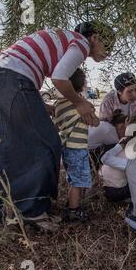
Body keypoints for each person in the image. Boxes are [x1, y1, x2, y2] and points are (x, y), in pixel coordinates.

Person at [0, 21, 115, 230]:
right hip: (14, 78)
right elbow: (60, 77)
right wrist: (79, 102)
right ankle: (31, 211)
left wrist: (40, 105)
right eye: (108, 46)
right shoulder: (81, 43)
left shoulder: (65, 39)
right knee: (47, 143)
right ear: (95, 38)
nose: (109, 52)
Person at [53, 68, 93, 222]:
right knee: (78, 181)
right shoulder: (82, 104)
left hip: (66, 146)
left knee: (73, 178)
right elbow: (93, 121)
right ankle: (74, 210)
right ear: (82, 85)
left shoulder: (58, 104)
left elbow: (56, 125)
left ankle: (71, 203)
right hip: (78, 148)